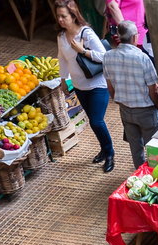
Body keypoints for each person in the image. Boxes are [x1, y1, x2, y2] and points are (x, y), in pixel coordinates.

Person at [55, 0, 113, 173]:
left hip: (97, 85)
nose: (60, 19)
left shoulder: (86, 33)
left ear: (73, 15)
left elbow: (104, 56)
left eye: (64, 16)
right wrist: (63, 80)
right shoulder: (61, 37)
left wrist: (82, 51)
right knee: (93, 121)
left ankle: (110, 153)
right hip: (80, 86)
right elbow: (62, 59)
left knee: (96, 121)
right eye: (58, 16)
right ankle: (103, 149)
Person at [103, 20, 158, 169]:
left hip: (125, 110)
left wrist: (120, 101)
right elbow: (153, 89)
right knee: (153, 148)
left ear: (118, 37)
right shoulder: (142, 58)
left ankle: (140, 177)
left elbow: (110, 87)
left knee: (136, 149)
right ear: (135, 37)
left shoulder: (108, 56)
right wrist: (156, 105)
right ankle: (155, 176)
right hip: (146, 110)